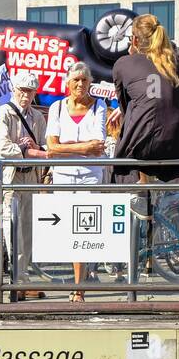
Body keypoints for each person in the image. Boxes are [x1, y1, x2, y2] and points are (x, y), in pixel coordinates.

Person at [107, 14, 179, 278]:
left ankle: (138, 192)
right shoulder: (178, 62)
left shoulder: (123, 64)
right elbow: (176, 97)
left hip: (142, 140)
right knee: (164, 143)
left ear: (133, 39)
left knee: (127, 154)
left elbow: (126, 105)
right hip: (178, 141)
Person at [46, 64, 107, 300]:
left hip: (90, 177)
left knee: (83, 231)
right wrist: (82, 148)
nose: (80, 84)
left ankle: (79, 286)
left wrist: (65, 147)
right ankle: (81, 276)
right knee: (68, 232)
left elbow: (98, 146)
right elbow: (51, 146)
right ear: (67, 83)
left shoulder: (99, 106)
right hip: (63, 177)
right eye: (76, 80)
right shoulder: (56, 107)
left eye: (84, 80)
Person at [0, 70, 49, 301]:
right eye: (22, 90)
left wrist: (35, 148)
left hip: (31, 178)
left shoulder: (37, 117)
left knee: (28, 231)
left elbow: (46, 148)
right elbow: (0, 149)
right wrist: (26, 150)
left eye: (30, 90)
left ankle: (22, 279)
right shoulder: (3, 113)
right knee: (11, 230)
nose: (25, 95)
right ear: (14, 90)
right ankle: (16, 281)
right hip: (11, 178)